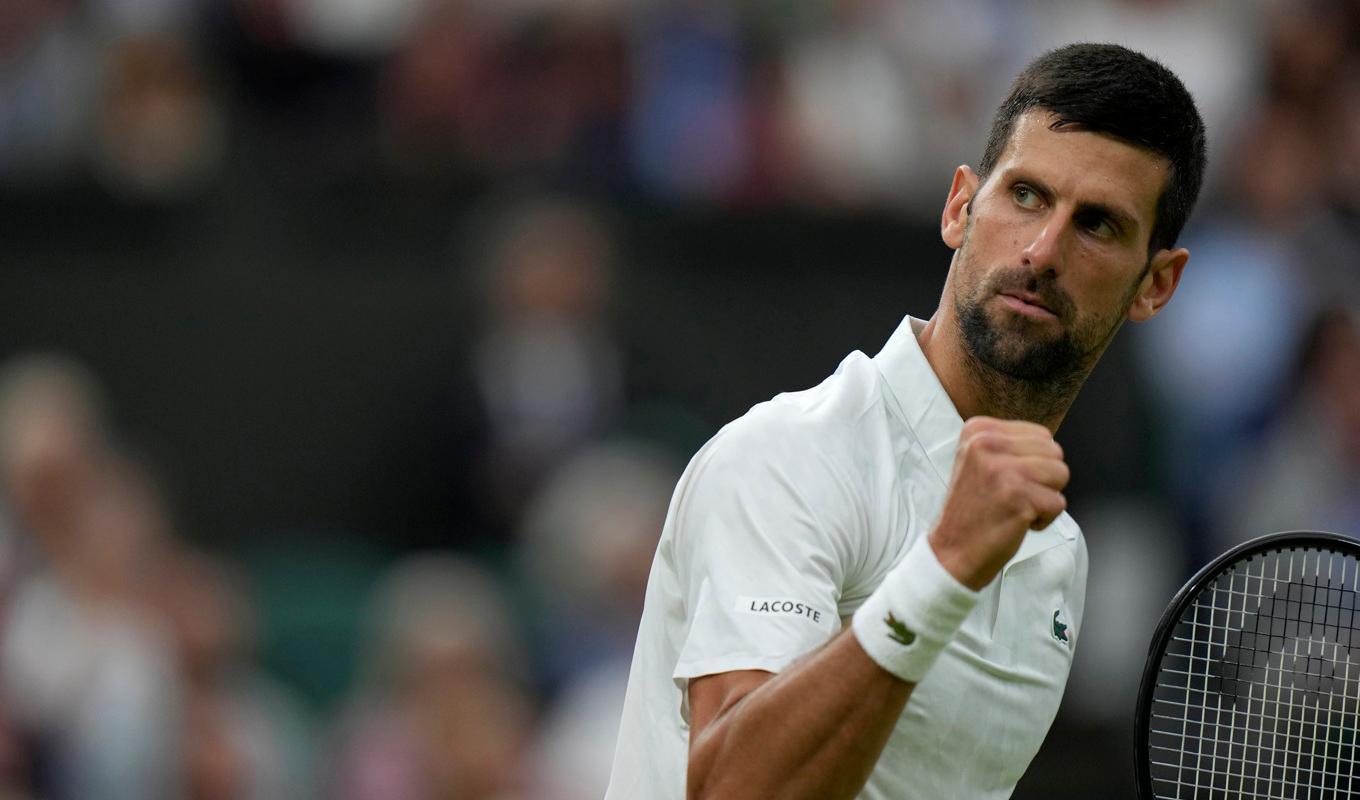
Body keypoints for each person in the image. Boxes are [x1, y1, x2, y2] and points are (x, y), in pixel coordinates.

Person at [605, 43, 1206, 799]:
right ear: (961, 207)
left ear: (1155, 285)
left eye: (1098, 226)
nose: (1044, 249)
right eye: (1026, 196)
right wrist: (942, 571)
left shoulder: (1057, 557)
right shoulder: (789, 457)